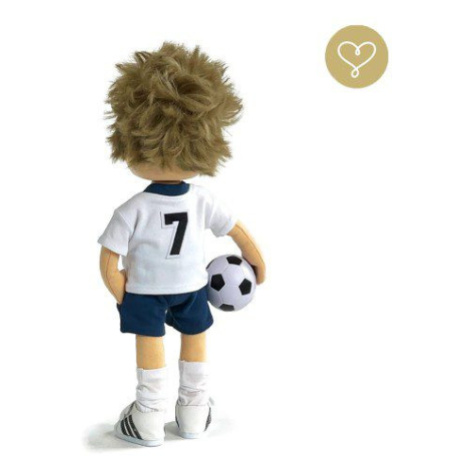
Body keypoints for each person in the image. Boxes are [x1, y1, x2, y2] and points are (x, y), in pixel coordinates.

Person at [98, 43, 266, 446]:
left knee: (149, 342)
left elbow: (108, 262)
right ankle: (193, 410)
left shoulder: (132, 209)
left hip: (145, 291)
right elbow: (236, 231)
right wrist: (257, 262)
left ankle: (148, 416)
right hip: (191, 287)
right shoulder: (202, 200)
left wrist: (122, 292)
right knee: (195, 338)